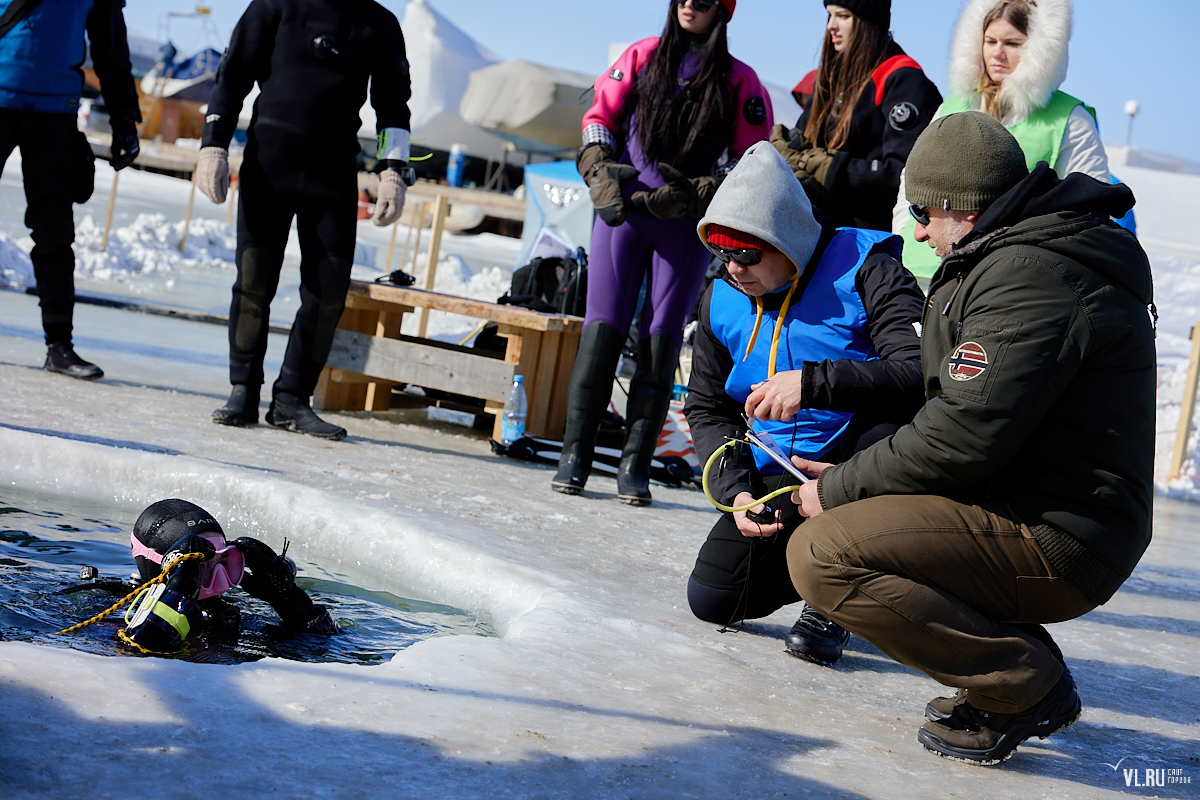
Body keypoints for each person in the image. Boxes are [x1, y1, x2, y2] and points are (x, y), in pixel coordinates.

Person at [785, 112, 1154, 764]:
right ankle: (1018, 665)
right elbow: (957, 420)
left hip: (1062, 532)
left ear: (967, 207)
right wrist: (858, 477)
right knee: (854, 519)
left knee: (821, 553)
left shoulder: (1030, 275)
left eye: (926, 211)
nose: (919, 230)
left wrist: (842, 487)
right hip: (1035, 506)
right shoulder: (1016, 258)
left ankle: (1022, 683)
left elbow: (961, 437)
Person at [684, 141, 924, 666]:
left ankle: (841, 591)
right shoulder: (720, 295)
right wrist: (737, 490)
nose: (733, 268)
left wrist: (812, 384)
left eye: (747, 254)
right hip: (779, 465)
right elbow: (706, 406)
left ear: (787, 241)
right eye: (721, 254)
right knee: (713, 599)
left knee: (893, 427)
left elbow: (921, 371)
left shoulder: (867, 270)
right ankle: (815, 560)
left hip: (855, 460)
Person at [552, 0, 773, 505]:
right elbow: (598, 117)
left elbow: (751, 160)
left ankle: (635, 463)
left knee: (661, 336)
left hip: (682, 228)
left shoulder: (741, 82)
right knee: (601, 327)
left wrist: (704, 192)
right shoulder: (642, 55)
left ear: (725, 9)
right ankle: (575, 455)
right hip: (622, 214)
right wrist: (597, 169)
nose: (690, 1)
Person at [197, 0, 413, 441]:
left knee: (329, 291)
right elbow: (232, 74)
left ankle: (293, 398)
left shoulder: (379, 23)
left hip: (332, 172)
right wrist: (213, 144)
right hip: (269, 163)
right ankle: (243, 389)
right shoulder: (274, 7)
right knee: (254, 281)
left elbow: (394, 104)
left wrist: (394, 168)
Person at [896, 0, 1111, 281]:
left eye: (1012, 43)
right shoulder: (953, 104)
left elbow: (1091, 207)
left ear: (1040, 49)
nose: (997, 52)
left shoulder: (1069, 119)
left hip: (1003, 276)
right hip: (920, 270)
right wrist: (902, 228)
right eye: (990, 40)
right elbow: (910, 182)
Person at [0, 0, 141, 380]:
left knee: (55, 232)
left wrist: (124, 118)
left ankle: (59, 347)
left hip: (55, 111)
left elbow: (111, 48)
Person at [771, 0, 941, 232]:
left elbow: (902, 174)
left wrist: (833, 169)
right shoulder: (831, 76)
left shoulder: (903, 79)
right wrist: (786, 151)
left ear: (868, 22)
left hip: (870, 239)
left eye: (842, 16)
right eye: (829, 15)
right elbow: (805, 146)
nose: (831, 25)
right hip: (819, 229)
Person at [121, 498, 338, 654]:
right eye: (200, 566)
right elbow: (140, 656)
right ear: (167, 567)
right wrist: (179, 592)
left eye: (223, 564)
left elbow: (323, 647)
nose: (220, 583)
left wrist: (287, 600)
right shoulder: (119, 616)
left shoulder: (242, 617)